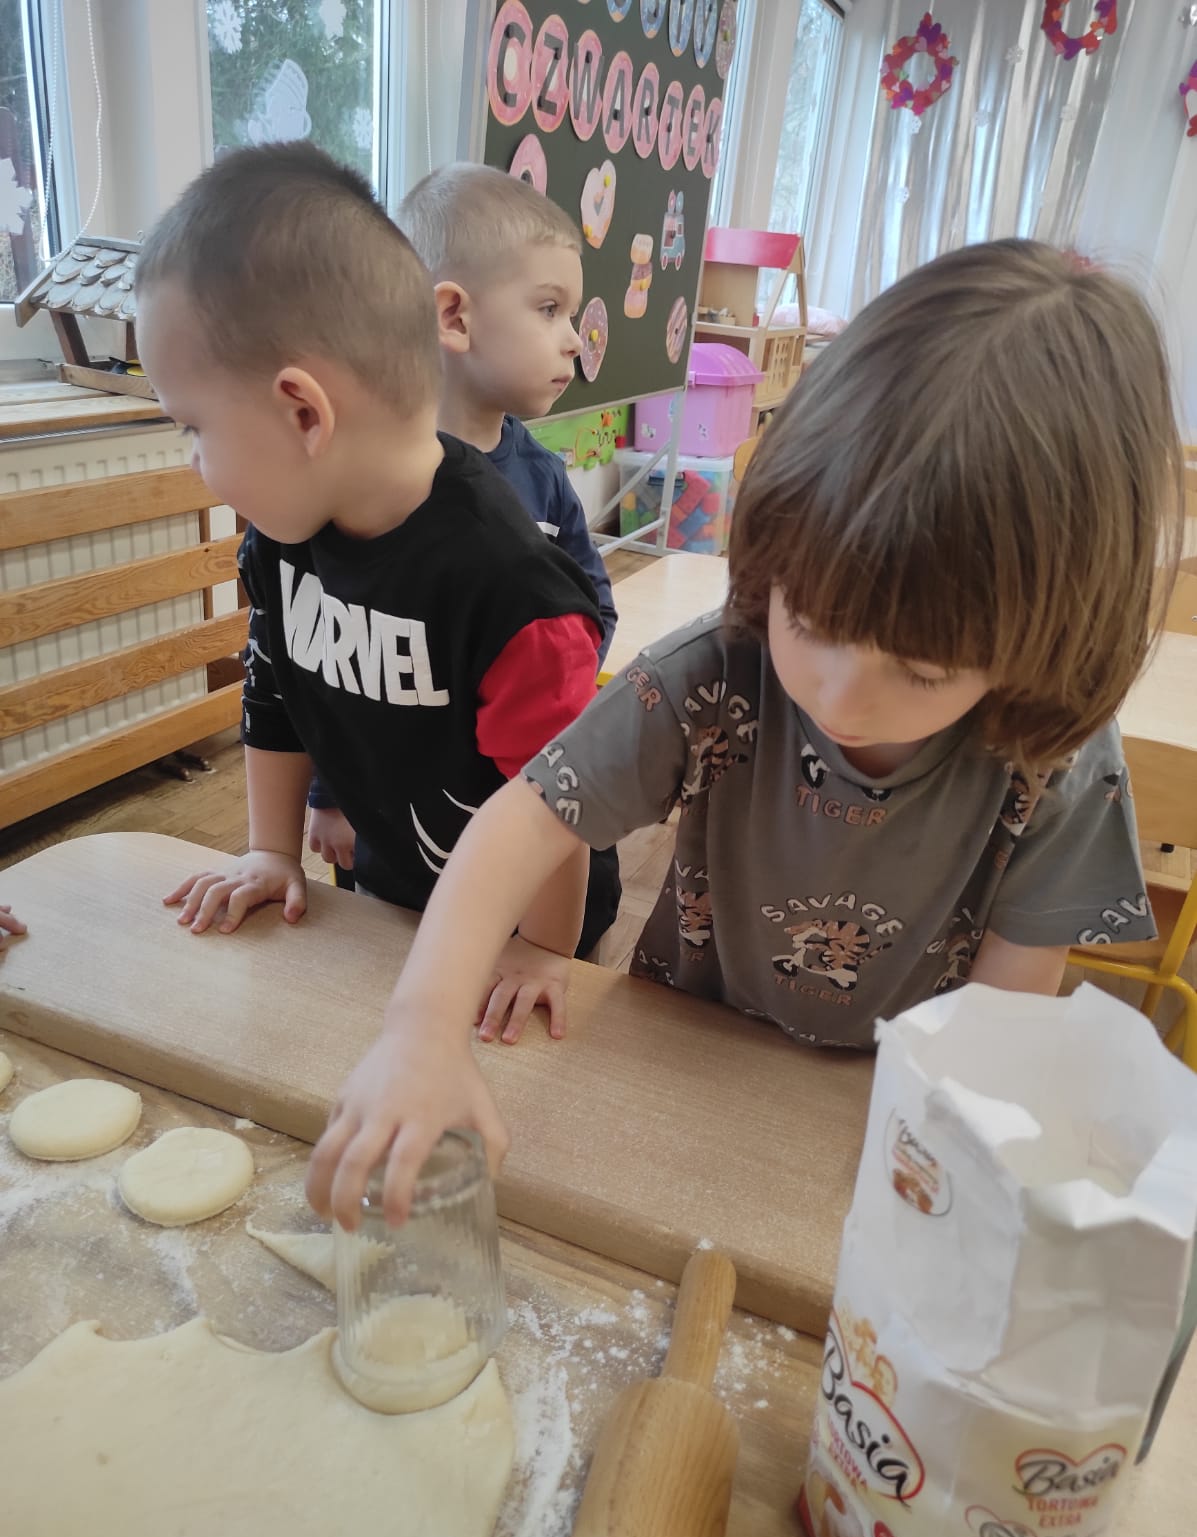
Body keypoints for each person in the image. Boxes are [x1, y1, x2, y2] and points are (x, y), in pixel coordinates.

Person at [304, 238, 1185, 1229]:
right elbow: (522, 820)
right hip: (682, 1048)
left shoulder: (1049, 757)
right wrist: (421, 1029)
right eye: (811, 620)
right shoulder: (726, 666)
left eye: (923, 671)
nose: (842, 698)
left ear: (1045, 642)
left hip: (893, 1107)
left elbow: (1000, 1031)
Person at [135, 142, 602, 1047]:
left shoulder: (512, 591)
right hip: (386, 891)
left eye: (193, 426)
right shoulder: (284, 534)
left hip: (527, 918)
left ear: (303, 412)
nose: (193, 462)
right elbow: (274, 692)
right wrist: (271, 849)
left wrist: (545, 948)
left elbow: (560, 798)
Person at [306, 163, 621, 957]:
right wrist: (325, 793)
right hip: (397, 833)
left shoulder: (541, 479)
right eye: (548, 308)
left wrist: (528, 689)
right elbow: (329, 654)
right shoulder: (364, 487)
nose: (574, 338)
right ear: (452, 315)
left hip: (522, 821)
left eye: (570, 313)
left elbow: (594, 611)